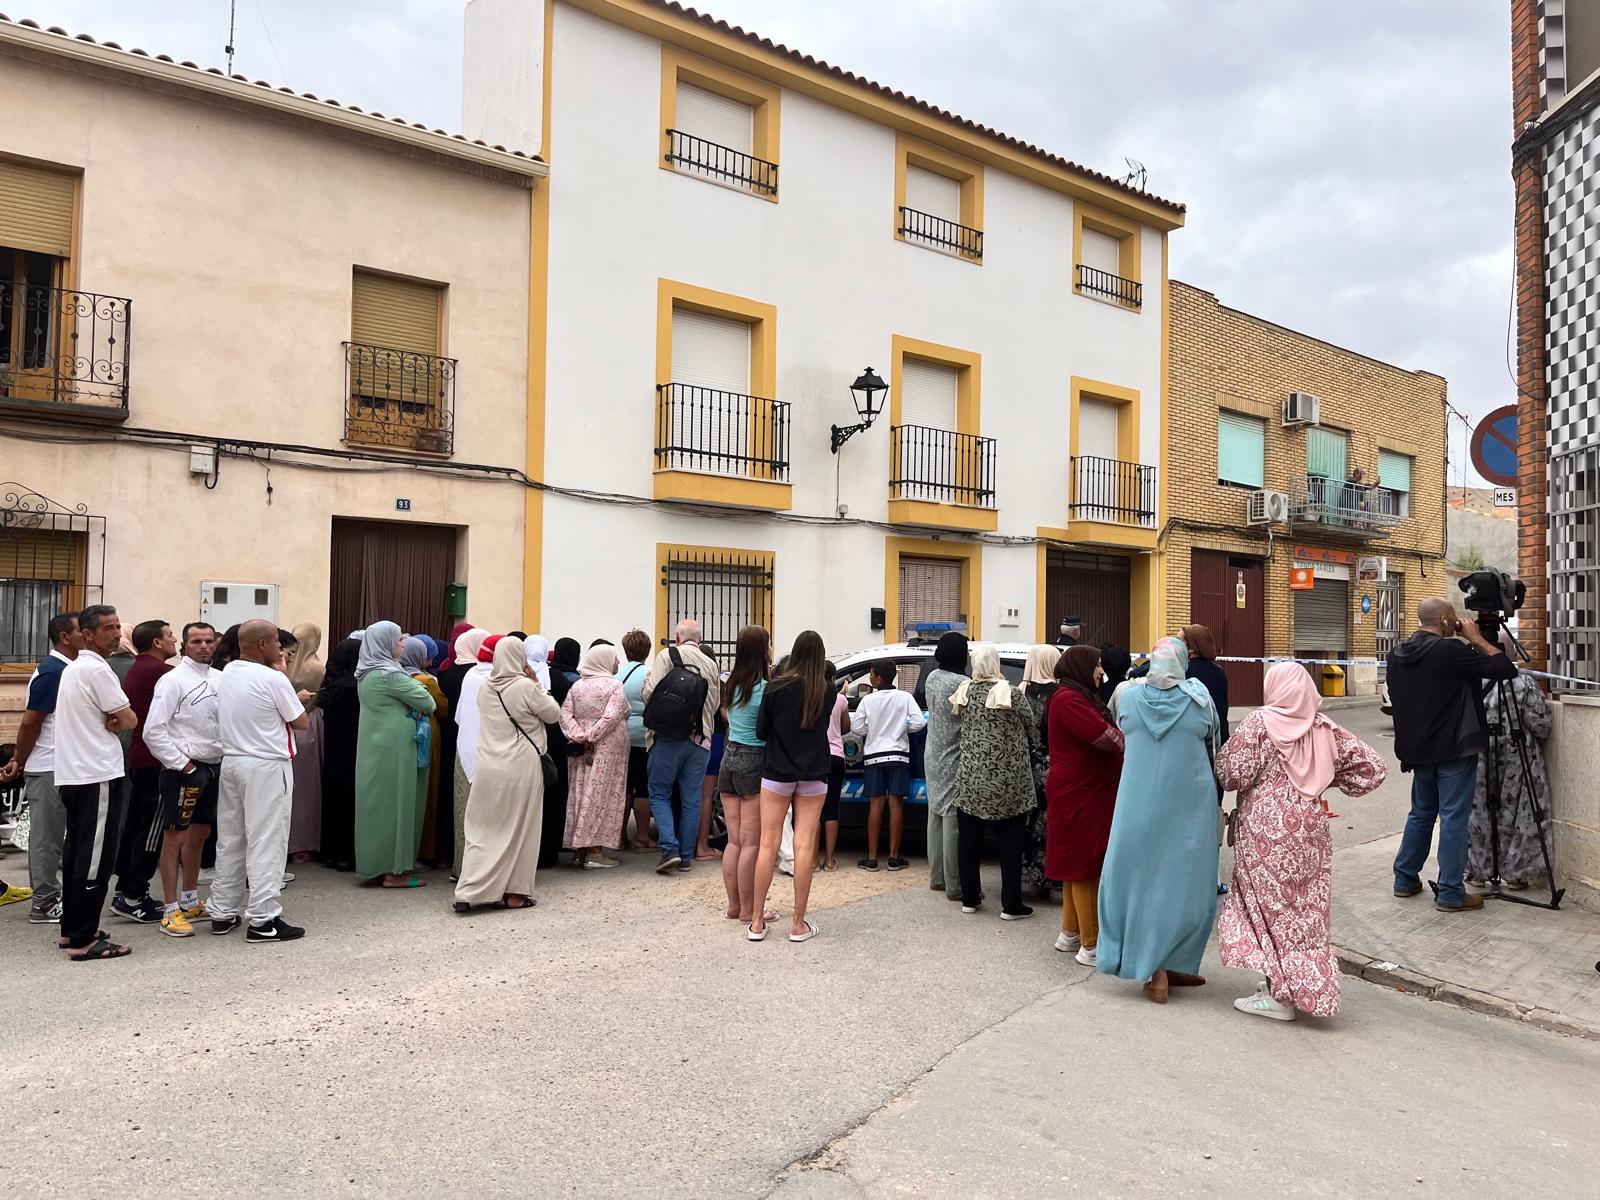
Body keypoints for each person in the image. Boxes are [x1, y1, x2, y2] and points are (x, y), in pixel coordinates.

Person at [1215, 662, 1387, 1021]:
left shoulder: (1259, 724)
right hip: (1310, 829)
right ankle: (1299, 988)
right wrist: (1327, 777)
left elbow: (1231, 774)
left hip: (1265, 831)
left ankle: (1279, 995)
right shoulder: (1324, 727)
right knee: (1304, 913)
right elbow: (1373, 768)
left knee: (1268, 909)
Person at [1097, 637, 1220, 1003]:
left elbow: (1120, 725)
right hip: (1188, 807)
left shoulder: (1129, 697)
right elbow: (1214, 734)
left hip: (1135, 803)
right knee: (1182, 883)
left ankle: (1157, 966)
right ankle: (1165, 965)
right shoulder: (1199, 701)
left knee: (1136, 879)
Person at [1387, 597, 1518, 912]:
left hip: (1419, 750)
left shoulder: (1397, 653)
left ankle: (1404, 879)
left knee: (1421, 813)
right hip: (1453, 748)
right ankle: (1450, 893)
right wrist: (1474, 638)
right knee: (1453, 818)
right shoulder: (1450, 650)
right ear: (1446, 620)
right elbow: (1505, 668)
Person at [49, 604, 138, 960]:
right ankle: (85, 939)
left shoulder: (74, 668)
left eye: (118, 627)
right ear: (87, 634)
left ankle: (73, 929)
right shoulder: (97, 671)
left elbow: (117, 717)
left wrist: (115, 719)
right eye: (108, 629)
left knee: (77, 852)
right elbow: (128, 718)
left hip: (75, 772)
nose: (116, 634)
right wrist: (118, 720)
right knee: (95, 858)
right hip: (96, 773)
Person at [211, 620, 309, 942]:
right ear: (264, 645)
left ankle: (223, 910)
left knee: (231, 839)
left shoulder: (225, 674)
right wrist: (294, 692)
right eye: (277, 645)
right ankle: (264, 919)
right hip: (267, 765)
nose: (282, 651)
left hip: (233, 762)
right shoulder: (273, 678)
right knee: (268, 840)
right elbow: (300, 721)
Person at [454, 635, 560, 911]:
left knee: (484, 829)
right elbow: (553, 714)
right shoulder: (526, 687)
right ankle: (515, 892)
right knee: (522, 828)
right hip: (521, 765)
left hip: (488, 765)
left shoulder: (486, 687)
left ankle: (470, 890)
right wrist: (535, 681)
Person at [0, 611, 84, 926]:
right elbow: (30, 722)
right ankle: (44, 902)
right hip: (48, 767)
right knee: (46, 838)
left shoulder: (70, 670)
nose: (87, 636)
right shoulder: (53, 672)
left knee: (61, 836)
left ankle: (55, 896)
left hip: (65, 767)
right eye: (82, 631)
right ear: (65, 636)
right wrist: (19, 761)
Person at [749, 630, 834, 942]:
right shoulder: (827, 690)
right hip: (814, 774)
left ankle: (757, 921)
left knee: (768, 843)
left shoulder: (775, 688)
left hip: (776, 772)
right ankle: (798, 924)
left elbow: (761, 732)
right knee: (805, 846)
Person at [1045, 646, 1125, 966]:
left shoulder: (1072, 694)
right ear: (1082, 667)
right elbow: (1103, 735)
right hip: (1081, 790)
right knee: (1085, 865)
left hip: (1082, 788)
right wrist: (1129, 741)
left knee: (1073, 862)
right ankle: (1091, 945)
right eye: (1097, 666)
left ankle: (1071, 932)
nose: (1101, 672)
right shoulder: (1068, 699)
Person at [142, 621, 222, 937]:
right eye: (196, 641)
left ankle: (190, 899)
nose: (203, 646)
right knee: (174, 838)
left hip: (214, 767)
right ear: (184, 646)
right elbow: (153, 730)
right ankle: (170, 909)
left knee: (200, 834)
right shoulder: (171, 680)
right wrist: (183, 765)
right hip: (183, 771)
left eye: (208, 641)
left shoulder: (220, 679)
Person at [950, 645, 1039, 921]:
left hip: (970, 779)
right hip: (1007, 782)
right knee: (1009, 842)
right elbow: (1030, 723)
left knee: (968, 840)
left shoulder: (965, 691)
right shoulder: (1010, 693)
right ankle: (1011, 905)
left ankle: (969, 898)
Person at [353, 621, 436, 889]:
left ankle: (374, 865)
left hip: (375, 748)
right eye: (398, 640)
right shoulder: (390, 675)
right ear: (385, 643)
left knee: (377, 807)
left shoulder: (366, 673)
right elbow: (428, 702)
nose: (402, 644)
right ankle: (395, 871)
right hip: (396, 750)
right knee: (399, 805)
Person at [641, 618, 721, 875]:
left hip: (667, 737)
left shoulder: (667, 655)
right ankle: (686, 856)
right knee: (692, 799)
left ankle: (669, 849)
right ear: (699, 639)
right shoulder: (710, 664)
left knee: (660, 793)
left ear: (677, 637)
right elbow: (716, 702)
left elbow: (650, 694)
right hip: (700, 741)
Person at [1467, 666, 1554, 890]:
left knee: (1479, 815)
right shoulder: (1522, 684)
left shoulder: (1470, 680)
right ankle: (1516, 873)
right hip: (1519, 758)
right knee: (1520, 815)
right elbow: (1542, 726)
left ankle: (1478, 871)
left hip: (1478, 757)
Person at [717, 626, 771, 924]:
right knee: (752, 842)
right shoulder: (765, 688)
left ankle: (734, 905)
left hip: (730, 756)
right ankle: (750, 911)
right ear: (762, 651)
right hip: (755, 759)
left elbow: (726, 714)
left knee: (734, 841)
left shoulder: (732, 684)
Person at [851, 660, 927, 871]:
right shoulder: (905, 697)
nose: (870, 678)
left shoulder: (868, 700)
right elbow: (920, 722)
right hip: (898, 756)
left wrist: (873, 732)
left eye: (871, 674)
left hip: (874, 756)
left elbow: (857, 727)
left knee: (875, 804)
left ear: (878, 678)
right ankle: (894, 857)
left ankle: (872, 857)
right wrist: (903, 729)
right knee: (896, 804)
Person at [559, 642, 630, 869]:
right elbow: (611, 717)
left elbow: (565, 714)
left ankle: (580, 850)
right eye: (614, 658)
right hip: (606, 749)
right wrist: (591, 737)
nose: (618, 662)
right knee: (602, 796)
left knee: (581, 794)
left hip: (581, 749)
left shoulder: (577, 686)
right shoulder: (614, 686)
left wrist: (578, 736)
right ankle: (595, 851)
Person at [923, 631, 968, 901]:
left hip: (933, 751)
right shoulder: (962, 683)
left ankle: (936, 877)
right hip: (954, 753)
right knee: (952, 818)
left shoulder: (932, 677)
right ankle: (954, 884)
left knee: (935, 813)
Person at [434, 625, 480, 868]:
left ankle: (444, 852)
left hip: (449, 734)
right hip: (471, 735)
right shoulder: (478, 673)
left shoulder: (445, 670)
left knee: (447, 791)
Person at [400, 637, 449, 865]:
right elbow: (442, 709)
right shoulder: (427, 681)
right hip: (427, 735)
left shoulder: (396, 677)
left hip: (404, 736)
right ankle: (424, 850)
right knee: (427, 790)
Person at [453, 633, 498, 877]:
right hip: (490, 753)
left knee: (465, 813)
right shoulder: (497, 678)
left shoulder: (471, 674)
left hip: (465, 751)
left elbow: (460, 716)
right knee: (486, 817)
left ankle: (461, 868)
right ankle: (483, 874)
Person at [316, 638, 362, 871]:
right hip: (351, 748)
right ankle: (345, 854)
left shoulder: (331, 683)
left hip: (334, 748)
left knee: (334, 800)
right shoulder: (352, 686)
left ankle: (332, 853)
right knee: (348, 800)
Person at [1020, 643, 1061, 900]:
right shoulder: (1059, 693)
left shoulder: (1021, 692)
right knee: (1051, 821)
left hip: (1026, 766)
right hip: (1052, 766)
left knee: (1028, 820)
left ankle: (1029, 875)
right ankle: (1054, 878)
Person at [287, 623, 326, 863]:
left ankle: (289, 841)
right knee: (309, 788)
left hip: (288, 727)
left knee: (291, 789)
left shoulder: (284, 666)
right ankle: (306, 843)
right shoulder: (317, 668)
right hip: (310, 724)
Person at [615, 630, 655, 850]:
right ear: (647, 650)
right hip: (644, 736)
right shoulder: (651, 673)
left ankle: (619, 836)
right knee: (642, 788)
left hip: (622, 735)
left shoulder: (617, 675)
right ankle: (642, 836)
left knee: (624, 787)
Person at [819, 661, 848, 873]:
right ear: (833, 677)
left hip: (814, 757)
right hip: (836, 756)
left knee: (811, 810)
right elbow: (846, 726)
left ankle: (811, 860)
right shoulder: (840, 699)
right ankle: (829, 860)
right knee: (831, 809)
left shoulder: (810, 696)